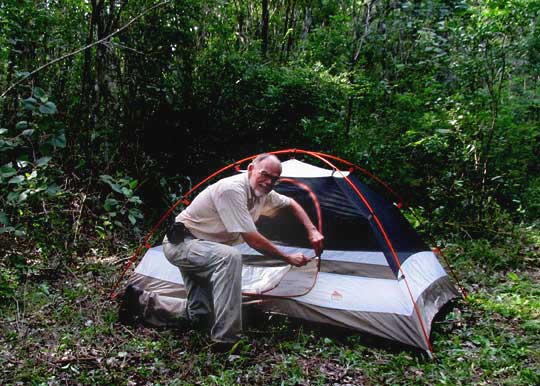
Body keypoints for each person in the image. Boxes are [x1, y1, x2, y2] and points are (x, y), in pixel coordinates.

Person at [162, 153, 324, 350]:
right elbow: (253, 240)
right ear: (250, 169)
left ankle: (147, 305)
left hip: (206, 248)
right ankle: (226, 341)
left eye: (274, 179)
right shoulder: (232, 189)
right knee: (229, 257)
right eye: (264, 174)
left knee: (200, 315)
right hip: (182, 244)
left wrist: (312, 230)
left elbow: (291, 202)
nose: (268, 182)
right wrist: (288, 257)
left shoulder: (263, 195)